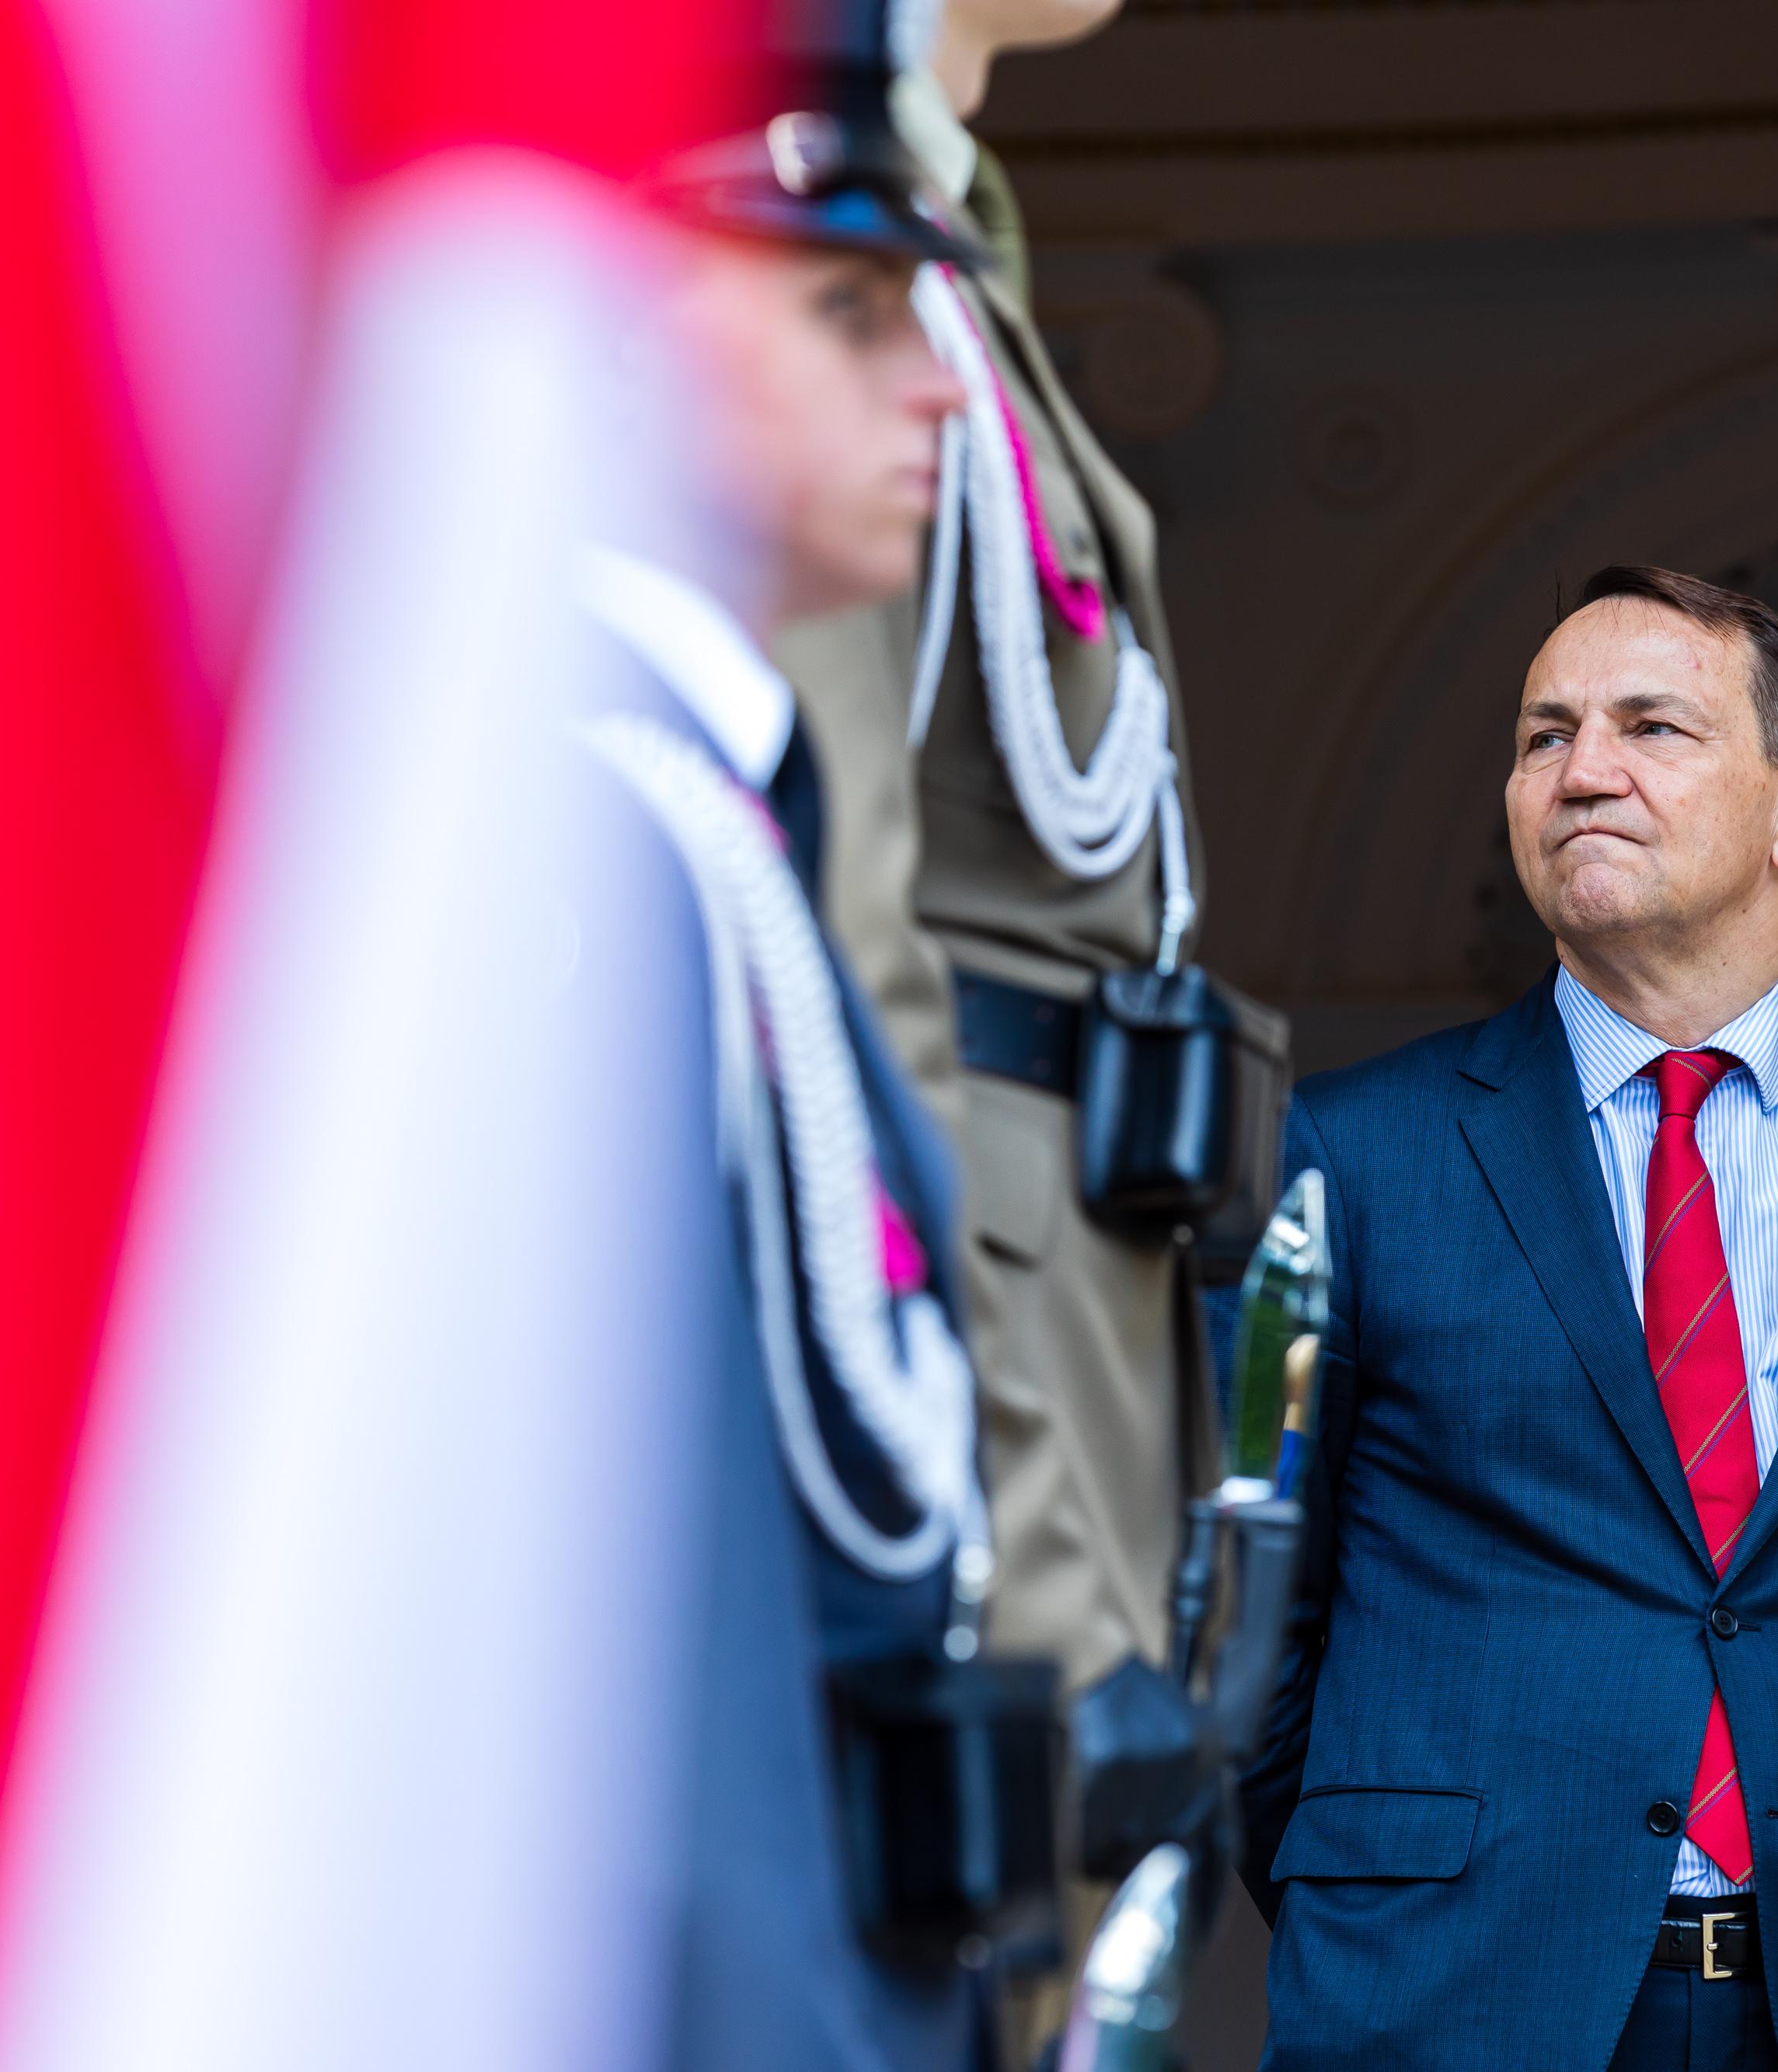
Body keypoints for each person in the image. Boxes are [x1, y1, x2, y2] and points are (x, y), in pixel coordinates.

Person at [1238, 567, 1778, 2072]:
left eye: (1651, 727)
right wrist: (1377, 1891)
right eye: (1543, 735)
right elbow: (1249, 1603)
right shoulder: (1352, 1155)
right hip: (1445, 1992)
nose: (1582, 770)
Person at [772, 0, 1284, 2041]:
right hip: (982, 1336)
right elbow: (839, 938)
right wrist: (1042, 1581)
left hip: (1089, 1308)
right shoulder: (827, 267)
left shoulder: (955, 255)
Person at [591, 41, 1035, 2072]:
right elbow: (628, 1641)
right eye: (847, 311)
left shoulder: (702, 823)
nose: (939, 387)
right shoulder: (594, 840)